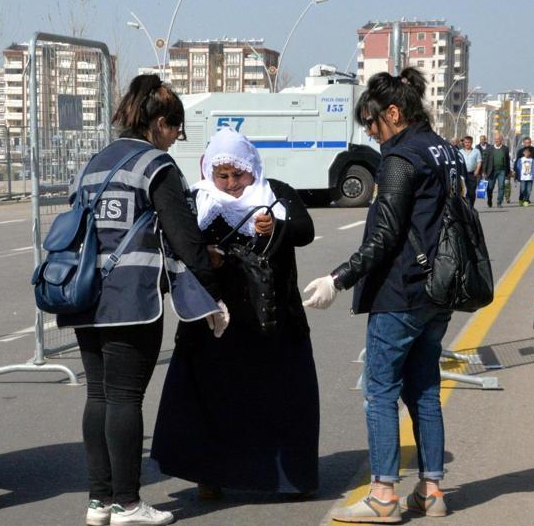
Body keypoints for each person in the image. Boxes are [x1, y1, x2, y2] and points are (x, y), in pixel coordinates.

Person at [57, 74, 228, 526]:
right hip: (132, 297)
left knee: (98, 396)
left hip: (84, 294)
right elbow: (184, 236)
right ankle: (128, 504)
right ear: (158, 122)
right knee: (125, 398)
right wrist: (211, 291)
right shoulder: (156, 166)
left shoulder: (94, 164)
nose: (174, 139)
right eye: (175, 129)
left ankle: (99, 501)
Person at [302, 67, 454, 523]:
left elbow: (385, 235)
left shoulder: (400, 158)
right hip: (439, 290)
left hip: (402, 291)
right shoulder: (444, 150)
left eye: (370, 121)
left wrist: (337, 279)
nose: (369, 131)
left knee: (380, 391)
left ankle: (383, 494)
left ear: (393, 112)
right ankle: (431, 491)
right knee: (424, 389)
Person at [151, 127, 319, 499]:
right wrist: (204, 254)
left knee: (280, 401)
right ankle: (210, 476)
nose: (230, 184)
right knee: (212, 402)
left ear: (252, 169)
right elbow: (176, 243)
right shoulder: (197, 200)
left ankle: (286, 478)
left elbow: (305, 230)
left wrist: (277, 227)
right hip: (214, 321)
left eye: (238, 175)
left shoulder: (275, 194)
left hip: (272, 318)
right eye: (222, 175)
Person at [482, 133, 511, 208]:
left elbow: (507, 160)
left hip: (502, 171)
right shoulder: (489, 149)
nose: (496, 140)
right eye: (495, 139)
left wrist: (508, 171)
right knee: (490, 187)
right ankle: (489, 200)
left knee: (501, 186)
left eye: (498, 139)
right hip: (491, 171)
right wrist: (484, 171)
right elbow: (486, 160)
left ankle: (499, 202)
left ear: (501, 140)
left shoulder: (505, 149)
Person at [458, 136, 482, 207]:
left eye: (469, 142)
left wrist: (477, 171)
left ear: (471, 143)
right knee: (463, 191)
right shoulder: (460, 152)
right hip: (462, 174)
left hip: (472, 174)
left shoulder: (476, 151)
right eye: (466, 142)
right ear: (463, 143)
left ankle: (471, 205)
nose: (467, 144)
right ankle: (465, 207)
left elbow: (479, 162)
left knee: (472, 192)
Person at [514, 137, 534, 204]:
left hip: (531, 174)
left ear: (531, 142)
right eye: (526, 143)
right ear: (523, 143)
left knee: (529, 189)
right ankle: (521, 198)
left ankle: (526, 199)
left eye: (529, 142)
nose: (527, 144)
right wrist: (515, 170)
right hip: (522, 174)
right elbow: (517, 162)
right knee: (523, 188)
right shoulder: (520, 151)